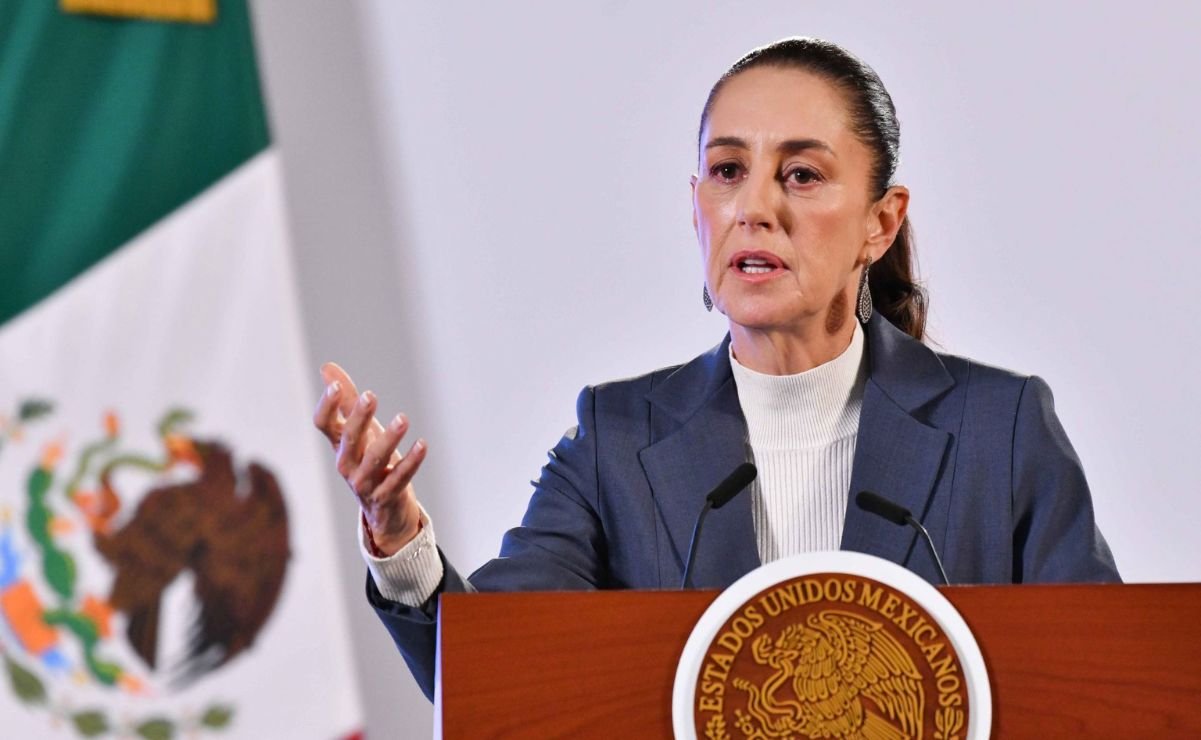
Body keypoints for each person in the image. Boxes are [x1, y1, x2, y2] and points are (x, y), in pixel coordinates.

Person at [312, 37, 1120, 700]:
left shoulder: (998, 430)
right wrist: (399, 540)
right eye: (728, 171)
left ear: (880, 222)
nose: (753, 208)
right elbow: (492, 673)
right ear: (695, 202)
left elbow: (1104, 687)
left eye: (800, 175)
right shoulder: (617, 443)